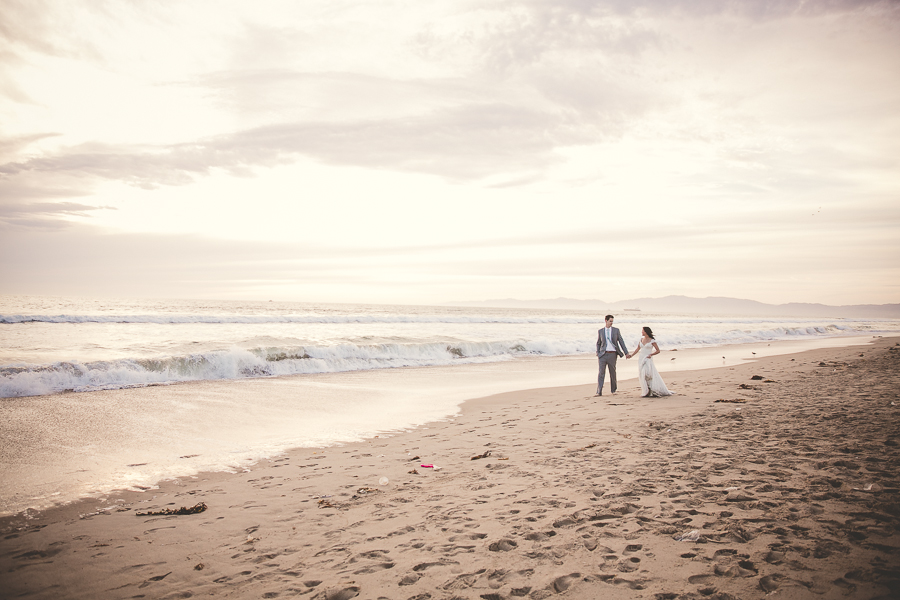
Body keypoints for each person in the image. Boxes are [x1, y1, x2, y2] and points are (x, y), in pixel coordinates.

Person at [626, 326, 672, 397]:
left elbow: (658, 350)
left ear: (646, 332)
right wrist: (631, 355)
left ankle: (652, 389)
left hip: (648, 358)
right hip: (641, 358)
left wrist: (651, 354)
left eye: (643, 331)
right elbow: (637, 349)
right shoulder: (641, 339)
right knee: (642, 374)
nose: (642, 332)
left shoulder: (652, 340)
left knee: (648, 373)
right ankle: (646, 390)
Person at [596, 315, 628, 396]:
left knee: (612, 372)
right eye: (610, 321)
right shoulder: (600, 331)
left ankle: (613, 390)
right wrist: (598, 352)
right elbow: (598, 343)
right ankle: (599, 391)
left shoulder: (616, 330)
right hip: (603, 355)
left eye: (612, 321)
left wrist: (626, 352)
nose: (611, 323)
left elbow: (621, 341)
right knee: (601, 373)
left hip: (612, 354)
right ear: (606, 320)